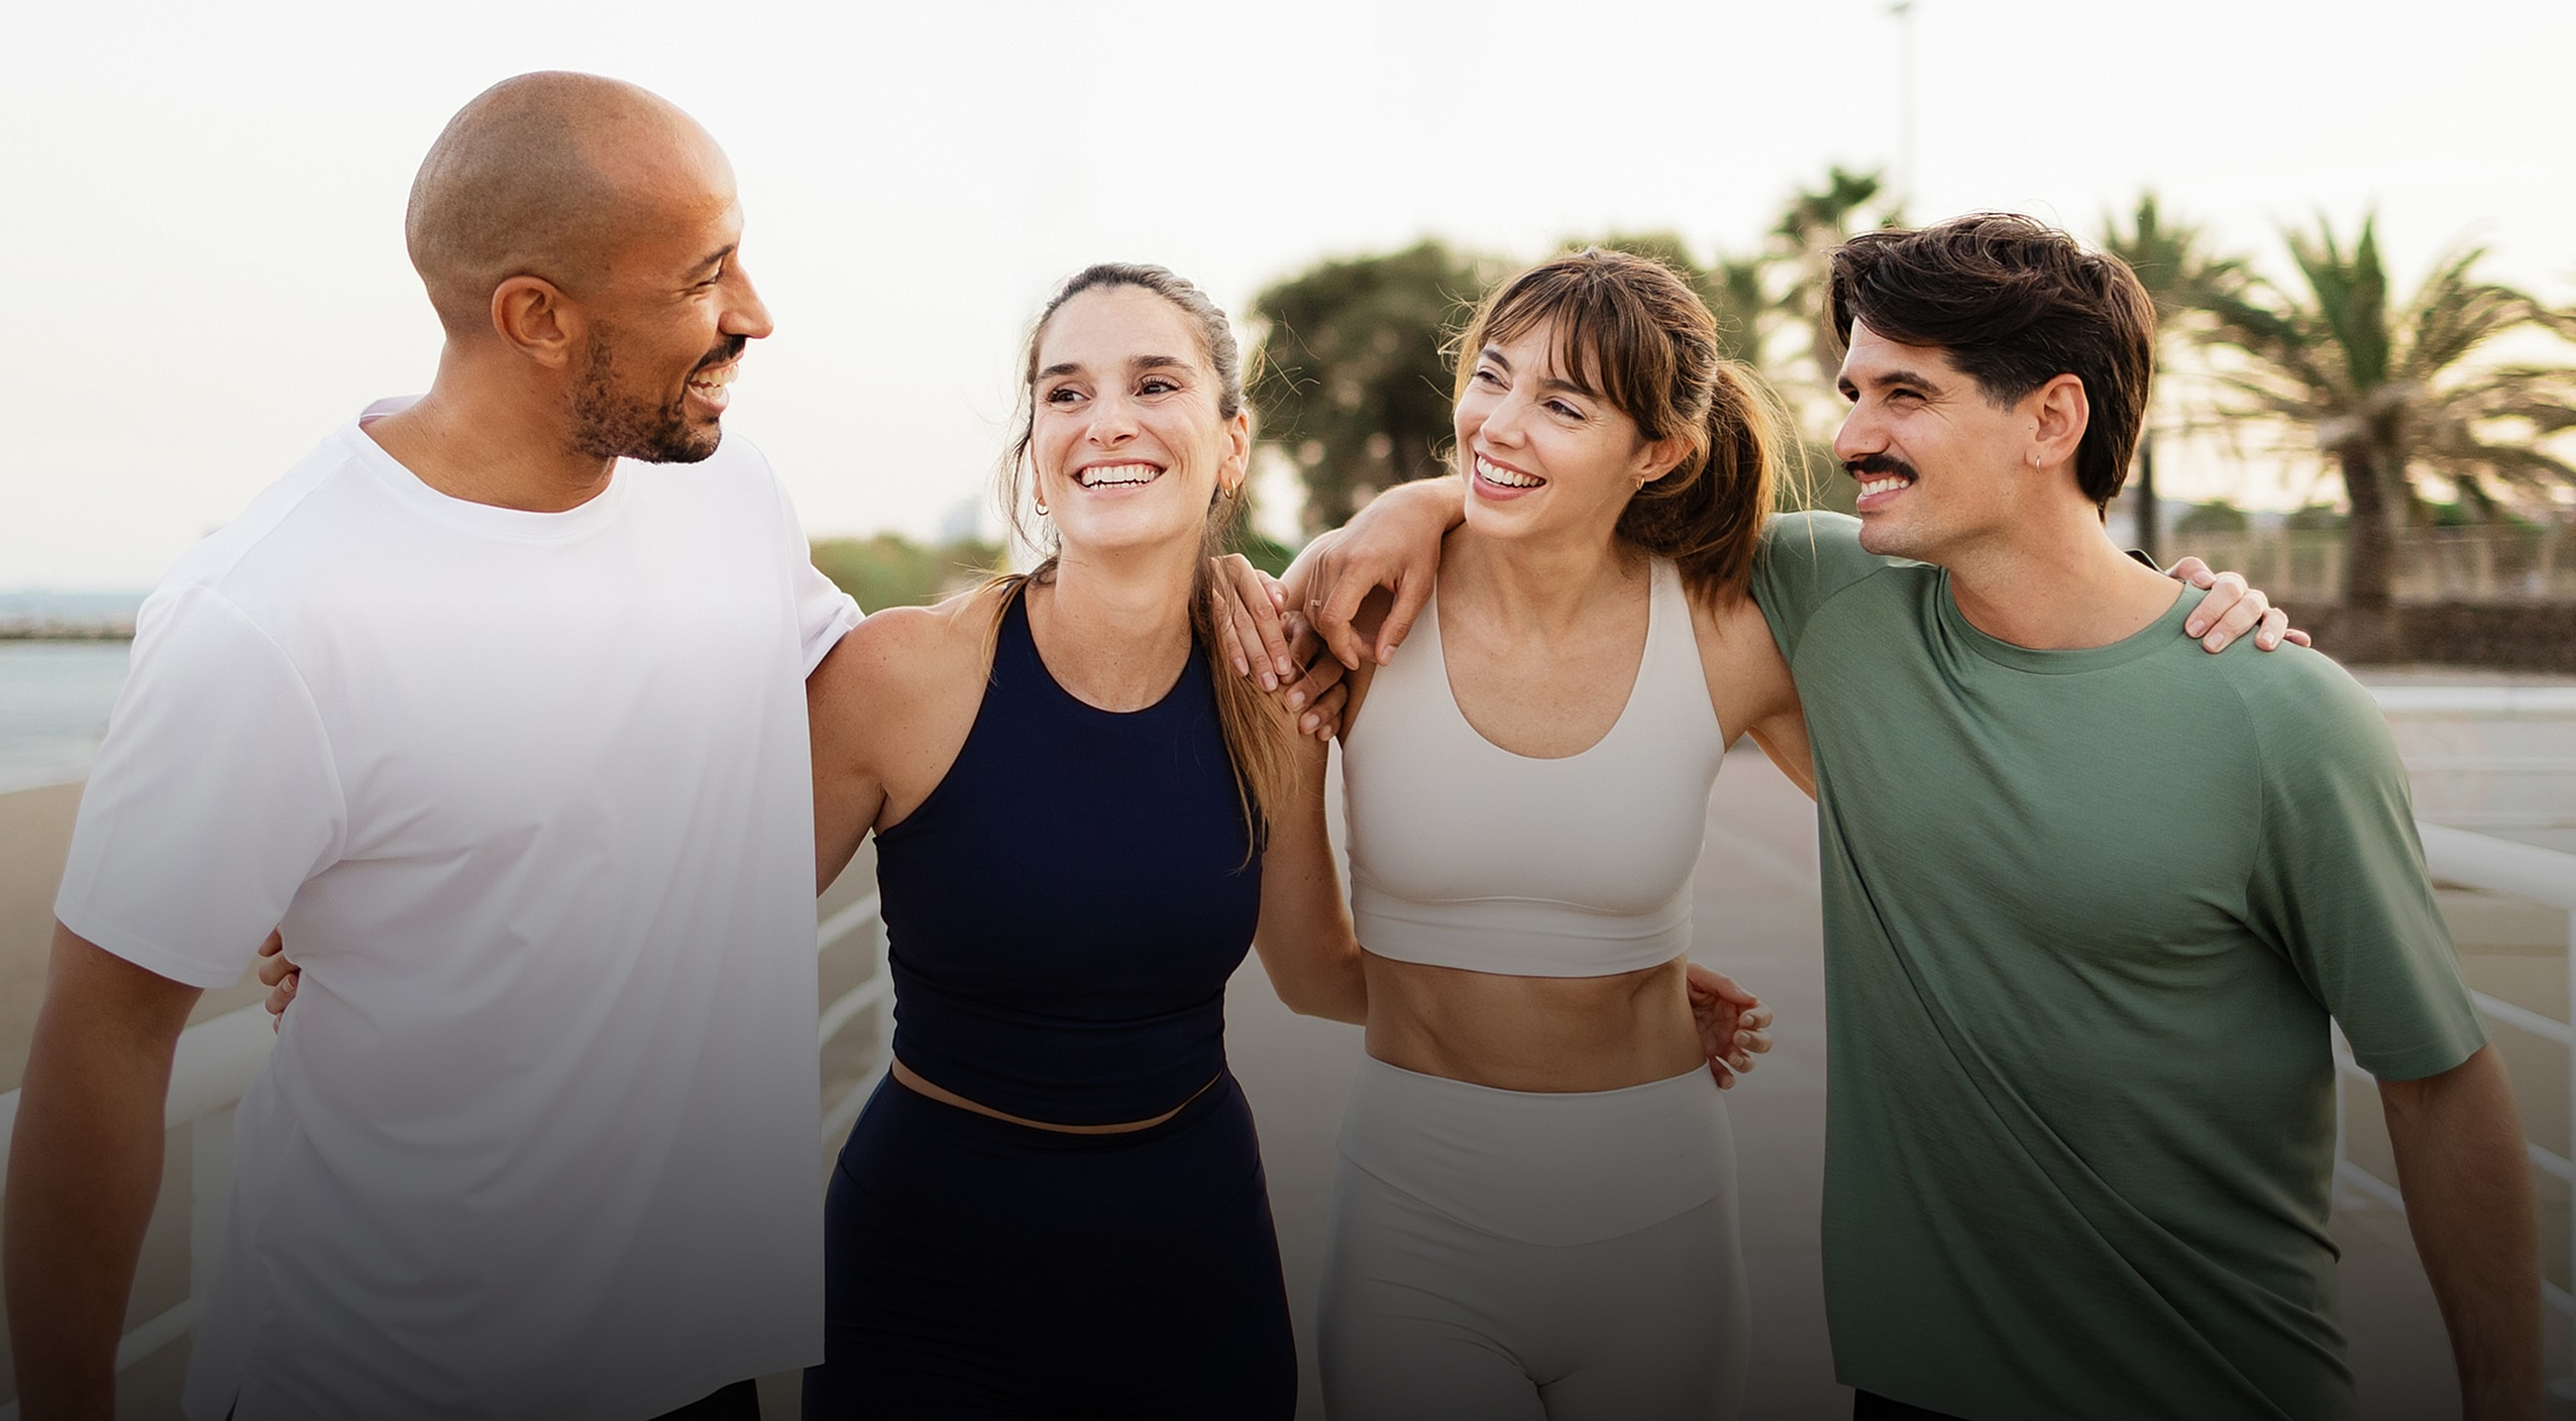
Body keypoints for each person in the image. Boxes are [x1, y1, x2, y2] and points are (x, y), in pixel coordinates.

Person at [1305, 220, 2539, 1419]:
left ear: (2051, 419)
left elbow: (2434, 1085)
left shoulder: (2280, 714)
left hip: (2213, 1376)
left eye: (1902, 395)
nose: (1847, 435)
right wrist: (1399, 514)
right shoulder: (1820, 595)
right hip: (1914, 1380)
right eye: (1850, 390)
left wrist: (2505, 1398)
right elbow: (1565, 498)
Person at [5, 74, 855, 1420]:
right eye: (704, 277)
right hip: (378, 1375)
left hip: (693, 1370)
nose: (754, 313)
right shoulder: (269, 615)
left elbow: (863, 696)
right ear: (537, 315)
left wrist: (1200, 596)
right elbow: (103, 1036)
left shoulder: (731, 494)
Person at [793, 264, 1366, 1417]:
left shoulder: (1268, 688)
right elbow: (697, 924)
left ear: (1230, 442)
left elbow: (1317, 976)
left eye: (1154, 383)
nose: (1104, 420)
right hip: (926, 1275)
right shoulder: (901, 675)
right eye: (1064, 394)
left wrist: (1593, 990)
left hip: (1195, 1261)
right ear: (1034, 451)